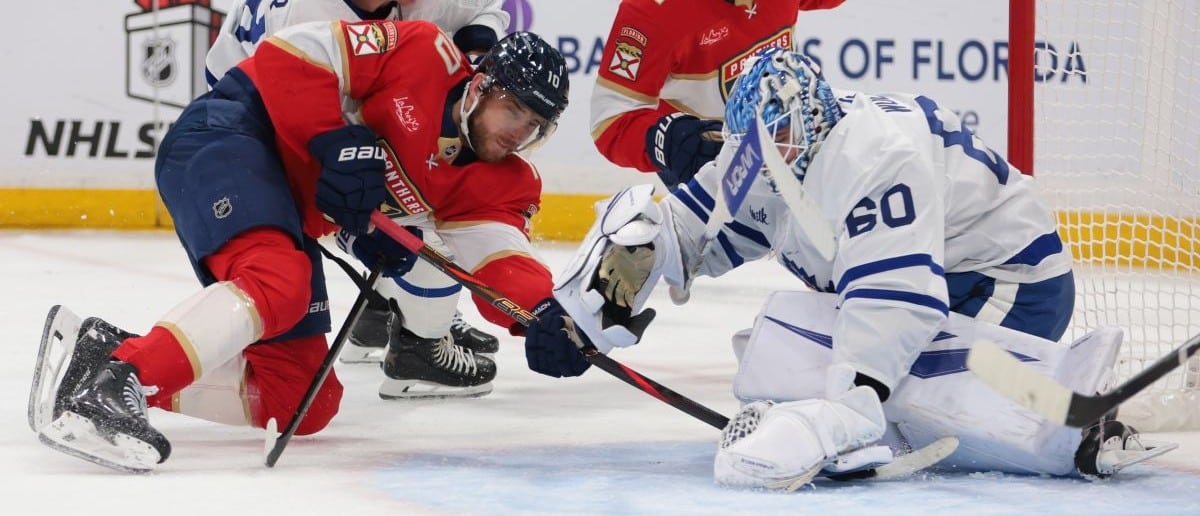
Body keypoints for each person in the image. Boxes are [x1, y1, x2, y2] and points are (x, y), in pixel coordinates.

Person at [523, 47, 1173, 489]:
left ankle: (1072, 425)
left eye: (779, 141)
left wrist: (841, 416)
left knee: (899, 401)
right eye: (755, 142)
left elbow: (896, 303)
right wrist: (580, 309)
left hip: (1007, 283)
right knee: (776, 343)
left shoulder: (873, 159)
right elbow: (666, 230)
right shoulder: (764, 149)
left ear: (814, 125)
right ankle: (907, 413)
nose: (764, 155)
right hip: (928, 285)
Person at [31, 22, 568, 472]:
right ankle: (119, 383)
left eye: (535, 124)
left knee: (302, 402)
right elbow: (292, 52)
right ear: (479, 87)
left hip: (285, 208)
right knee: (279, 283)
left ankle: (101, 357)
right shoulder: (421, 51)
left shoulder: (503, 181)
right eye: (514, 109)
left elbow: (499, 256)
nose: (519, 132)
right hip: (232, 136)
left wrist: (540, 312)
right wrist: (327, 136)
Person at [206, 0, 511, 368]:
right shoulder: (309, 14)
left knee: (442, 166)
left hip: (287, 118)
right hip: (255, 137)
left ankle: (386, 307)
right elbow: (301, 114)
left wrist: (475, 56)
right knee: (425, 215)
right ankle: (419, 346)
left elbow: (484, 8)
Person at [590, 0, 845, 189]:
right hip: (706, 160)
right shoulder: (652, 12)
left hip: (792, 137)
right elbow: (611, 122)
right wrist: (670, 141)